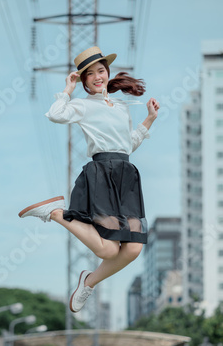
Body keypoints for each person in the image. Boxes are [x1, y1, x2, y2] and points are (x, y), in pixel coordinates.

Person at [18, 46, 160, 313]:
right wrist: (67, 90)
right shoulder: (82, 105)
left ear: (107, 73)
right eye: (90, 74)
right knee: (107, 250)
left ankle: (88, 282)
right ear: (83, 80)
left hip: (126, 175)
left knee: (132, 250)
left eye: (101, 70)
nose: (97, 76)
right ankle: (57, 214)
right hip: (102, 174)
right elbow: (55, 115)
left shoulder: (120, 106)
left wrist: (150, 120)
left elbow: (127, 144)